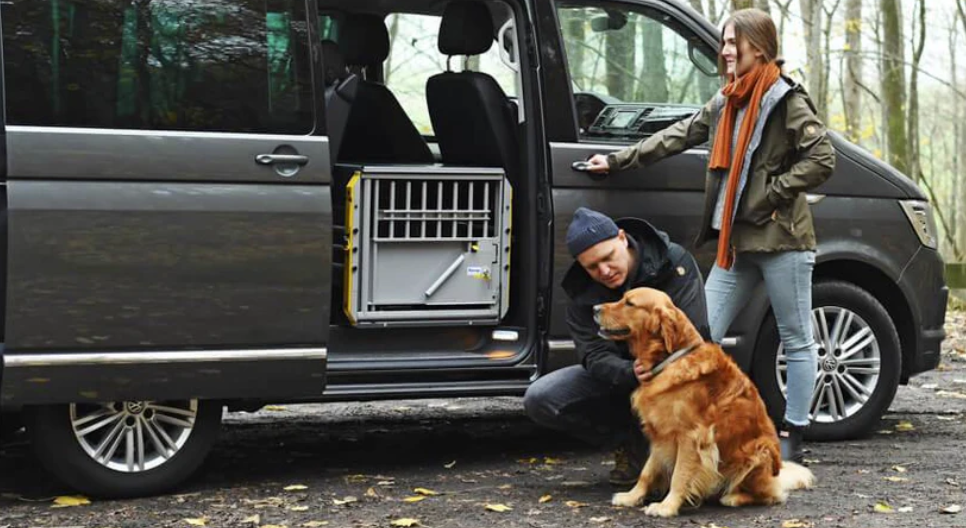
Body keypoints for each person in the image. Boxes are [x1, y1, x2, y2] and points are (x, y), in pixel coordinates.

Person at [581, 8, 835, 463]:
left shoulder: (785, 99)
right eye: (723, 42)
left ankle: (794, 431)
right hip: (734, 243)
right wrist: (618, 160)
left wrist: (769, 194)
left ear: (760, 46)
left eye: (734, 42)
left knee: (796, 336)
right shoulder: (727, 100)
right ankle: (706, 424)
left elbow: (822, 159)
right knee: (700, 333)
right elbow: (678, 135)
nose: (725, 50)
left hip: (782, 240)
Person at [523, 207, 711, 486]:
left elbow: (695, 337)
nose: (604, 271)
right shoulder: (580, 289)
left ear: (622, 238)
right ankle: (629, 442)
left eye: (608, 258)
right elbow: (593, 354)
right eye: (592, 267)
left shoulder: (673, 262)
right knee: (541, 397)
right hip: (621, 375)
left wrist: (656, 367)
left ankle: (687, 457)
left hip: (674, 375)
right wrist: (628, 371)